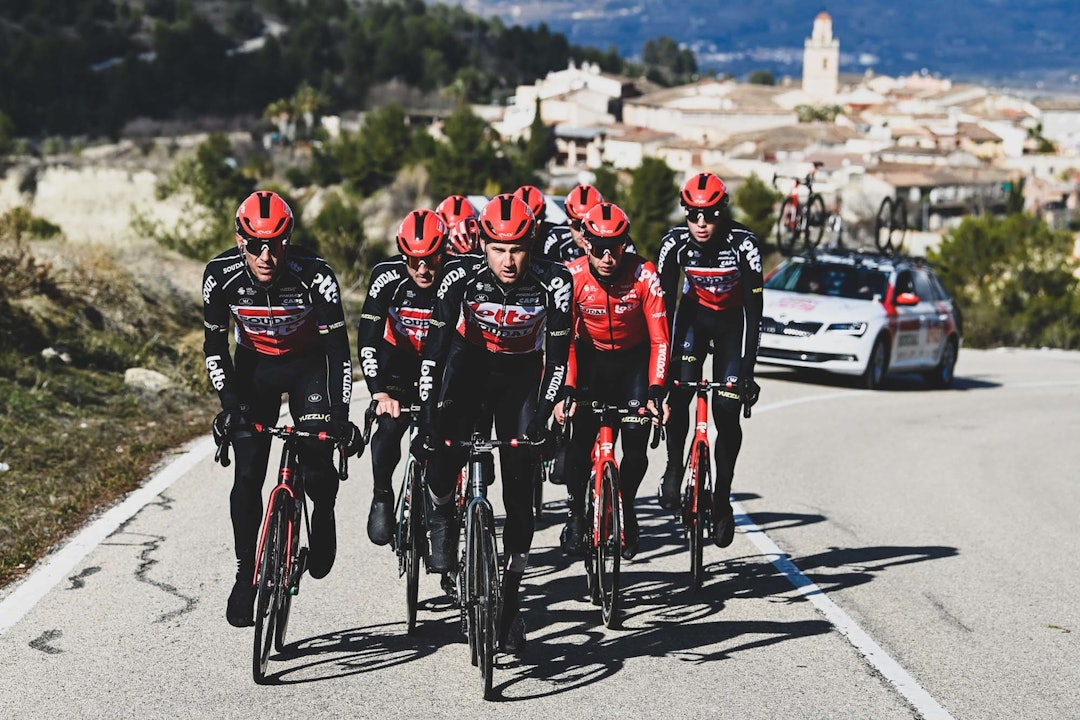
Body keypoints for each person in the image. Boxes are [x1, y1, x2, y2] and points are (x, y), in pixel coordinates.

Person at [412, 193, 573, 653]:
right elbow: (434, 353)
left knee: (521, 495)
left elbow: (558, 361)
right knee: (441, 455)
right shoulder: (458, 276)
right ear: (483, 244)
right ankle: (442, 512)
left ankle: (512, 595)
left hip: (521, 378)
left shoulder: (554, 282)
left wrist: (542, 418)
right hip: (469, 371)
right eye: (499, 249)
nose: (508, 260)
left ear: (533, 243)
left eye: (518, 249)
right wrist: (427, 419)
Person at [203, 190, 362, 628]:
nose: (267, 255)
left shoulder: (316, 276)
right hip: (255, 370)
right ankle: (244, 575)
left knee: (316, 460)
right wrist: (230, 406)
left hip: (308, 366)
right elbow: (214, 347)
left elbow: (338, 353)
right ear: (241, 241)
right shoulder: (220, 276)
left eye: (276, 242)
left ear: (288, 240)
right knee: (248, 473)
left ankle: (323, 513)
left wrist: (341, 417)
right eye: (256, 245)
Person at [553, 202, 669, 560]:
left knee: (635, 444)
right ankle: (575, 513)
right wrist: (567, 388)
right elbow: (563, 341)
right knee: (579, 440)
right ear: (585, 242)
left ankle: (627, 507)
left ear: (625, 244)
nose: (607, 256)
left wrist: (656, 391)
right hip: (588, 363)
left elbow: (660, 340)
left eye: (615, 247)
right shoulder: (569, 276)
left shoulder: (644, 275)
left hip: (633, 365)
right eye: (599, 247)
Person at [656, 172, 763, 548]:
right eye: (693, 214)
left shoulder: (743, 243)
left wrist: (747, 372)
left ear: (723, 213)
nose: (701, 223)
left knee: (727, 409)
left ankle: (722, 497)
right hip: (692, 322)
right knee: (680, 392)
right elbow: (664, 308)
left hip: (732, 326)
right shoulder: (675, 243)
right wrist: (663, 369)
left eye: (711, 215)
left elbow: (754, 311)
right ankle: (673, 466)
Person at [357, 209, 448, 547]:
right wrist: (379, 393)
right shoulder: (387, 276)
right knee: (391, 426)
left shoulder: (456, 276)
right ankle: (382, 494)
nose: (423, 269)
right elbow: (367, 338)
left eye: (431, 259)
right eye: (414, 260)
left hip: (440, 365)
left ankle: (446, 510)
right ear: (402, 253)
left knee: (444, 435)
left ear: (445, 251)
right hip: (398, 362)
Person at [542, 183, 604, 263]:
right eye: (577, 225)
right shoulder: (556, 238)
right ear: (568, 220)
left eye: (589, 227)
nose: (582, 233)